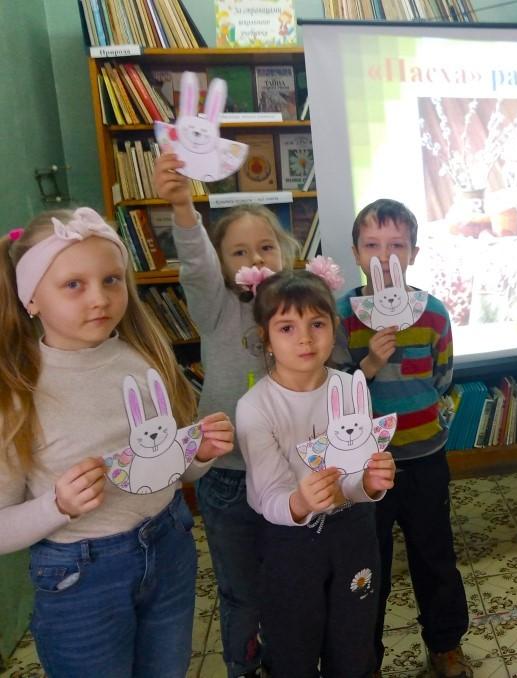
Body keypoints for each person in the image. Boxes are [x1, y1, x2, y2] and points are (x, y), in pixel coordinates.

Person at [0, 208, 235, 677]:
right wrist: (57, 506)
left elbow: (169, 465)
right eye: (74, 284)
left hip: (169, 544)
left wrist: (200, 454)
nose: (100, 299)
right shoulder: (18, 390)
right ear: (31, 299)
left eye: (111, 280)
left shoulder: (144, 357)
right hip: (80, 575)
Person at [153, 153, 300, 678]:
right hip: (229, 479)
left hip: (290, 472)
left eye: (264, 247)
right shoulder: (215, 307)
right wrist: (180, 205)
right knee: (240, 591)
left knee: (290, 581)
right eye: (238, 251)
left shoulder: (293, 307)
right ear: (221, 264)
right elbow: (193, 261)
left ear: (283, 253)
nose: (253, 257)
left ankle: (292, 660)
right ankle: (244, 666)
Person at [235, 265, 396, 678]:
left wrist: (370, 484)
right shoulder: (256, 406)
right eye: (287, 327)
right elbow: (268, 494)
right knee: (293, 646)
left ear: (334, 327)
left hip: (353, 535)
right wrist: (300, 502)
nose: (305, 338)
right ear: (265, 340)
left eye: (317, 324)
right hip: (290, 545)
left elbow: (358, 473)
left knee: (353, 639)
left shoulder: (349, 388)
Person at [333, 199, 471, 678]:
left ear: (413, 252)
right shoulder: (342, 314)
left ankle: (445, 644)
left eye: (396, 246)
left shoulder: (432, 313)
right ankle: (363, 658)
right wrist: (369, 363)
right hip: (363, 469)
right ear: (355, 253)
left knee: (435, 557)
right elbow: (332, 392)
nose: (384, 256)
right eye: (372, 245)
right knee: (367, 567)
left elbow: (442, 377)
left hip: (425, 458)